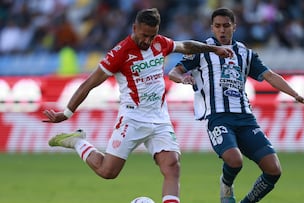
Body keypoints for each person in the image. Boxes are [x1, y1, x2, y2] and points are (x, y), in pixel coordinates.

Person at [42, 8, 233, 203]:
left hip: (159, 118)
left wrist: (214, 49)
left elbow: (185, 46)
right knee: (108, 171)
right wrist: (66, 114)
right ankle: (77, 141)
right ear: (134, 28)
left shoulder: (160, 43)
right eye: (144, 35)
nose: (148, 41)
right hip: (132, 119)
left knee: (172, 166)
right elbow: (88, 84)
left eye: (152, 36)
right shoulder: (120, 53)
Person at [168, 8, 304, 203]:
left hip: (246, 118)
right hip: (218, 117)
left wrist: (297, 96)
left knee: (273, 170)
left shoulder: (245, 54)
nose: (222, 30)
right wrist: (183, 78)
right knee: (234, 160)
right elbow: (174, 71)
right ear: (212, 28)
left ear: (234, 27)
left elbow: (270, 77)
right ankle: (226, 184)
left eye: (226, 26)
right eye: (217, 26)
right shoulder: (201, 50)